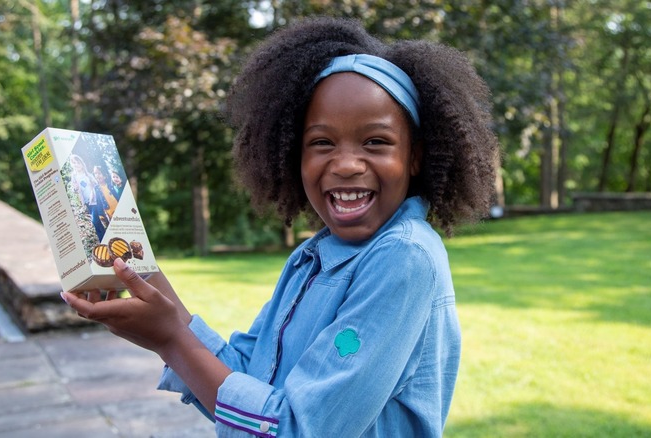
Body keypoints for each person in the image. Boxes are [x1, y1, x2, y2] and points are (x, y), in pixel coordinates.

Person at [61, 17, 499, 437]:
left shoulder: (405, 256)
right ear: (294, 155)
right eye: (322, 142)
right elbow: (245, 376)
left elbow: (297, 428)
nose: (346, 164)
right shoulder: (311, 258)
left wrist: (173, 340)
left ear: (416, 156)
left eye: (376, 142)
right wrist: (143, 275)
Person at [68, 154, 107, 241]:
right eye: (74, 163)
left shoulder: (88, 175)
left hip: (94, 200)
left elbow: (96, 185)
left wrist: (93, 191)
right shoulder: (74, 177)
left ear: (82, 164)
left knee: (94, 220)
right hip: (86, 202)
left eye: (78, 163)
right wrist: (75, 189)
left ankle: (102, 240)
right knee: (97, 222)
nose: (76, 165)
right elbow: (75, 190)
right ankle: (104, 237)